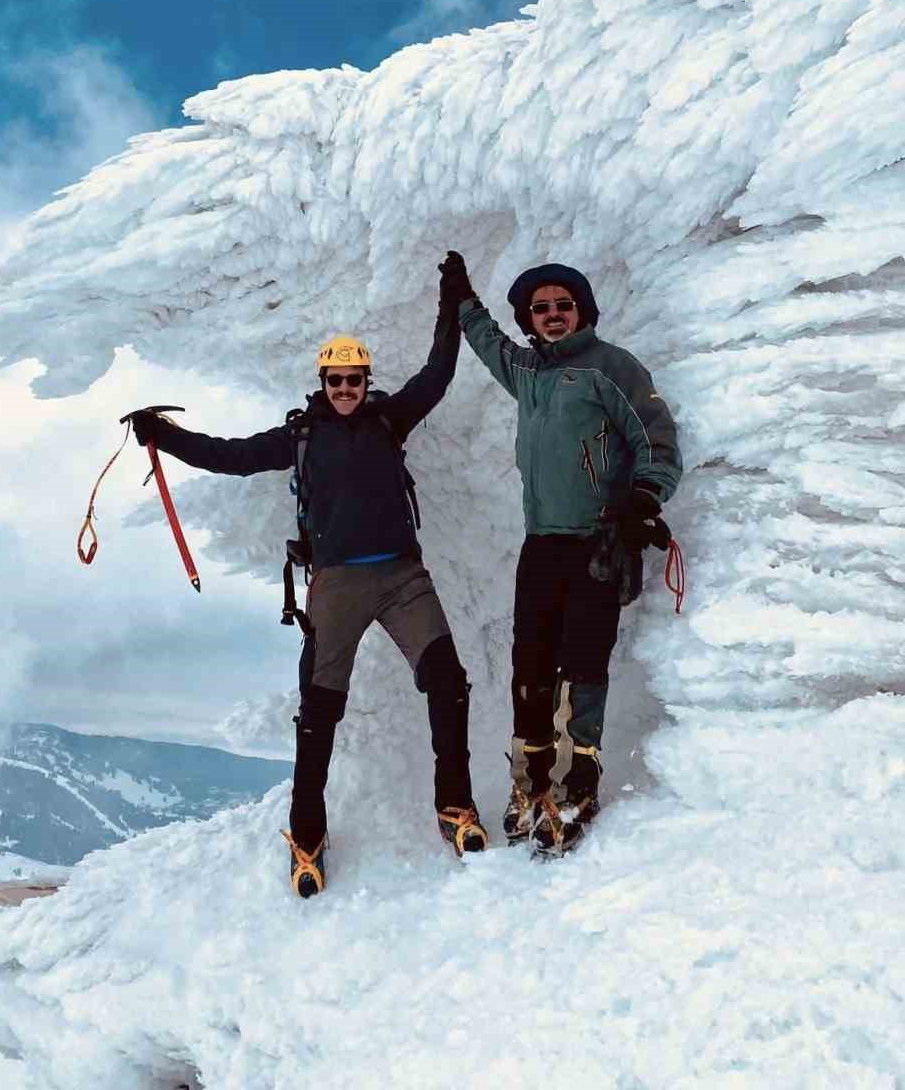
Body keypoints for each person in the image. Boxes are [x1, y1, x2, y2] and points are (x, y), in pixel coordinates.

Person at [129, 271, 487, 898]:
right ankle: (306, 834)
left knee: (448, 685)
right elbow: (229, 454)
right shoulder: (299, 438)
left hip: (404, 577)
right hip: (338, 585)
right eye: (335, 380)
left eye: (354, 379)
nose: (346, 389)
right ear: (321, 383)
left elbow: (437, 373)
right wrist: (164, 436)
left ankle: (455, 806)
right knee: (319, 716)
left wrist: (450, 301)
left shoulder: (389, 420)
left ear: (365, 380)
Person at [439, 251, 682, 855]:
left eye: (562, 306)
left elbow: (656, 438)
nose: (552, 315)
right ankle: (530, 784)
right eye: (540, 309)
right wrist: (464, 296)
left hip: (597, 543)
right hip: (541, 544)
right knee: (532, 667)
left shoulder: (611, 367)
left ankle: (581, 782)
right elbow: (488, 342)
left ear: (582, 312)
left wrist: (642, 501)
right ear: (529, 317)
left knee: (584, 666)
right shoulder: (529, 373)